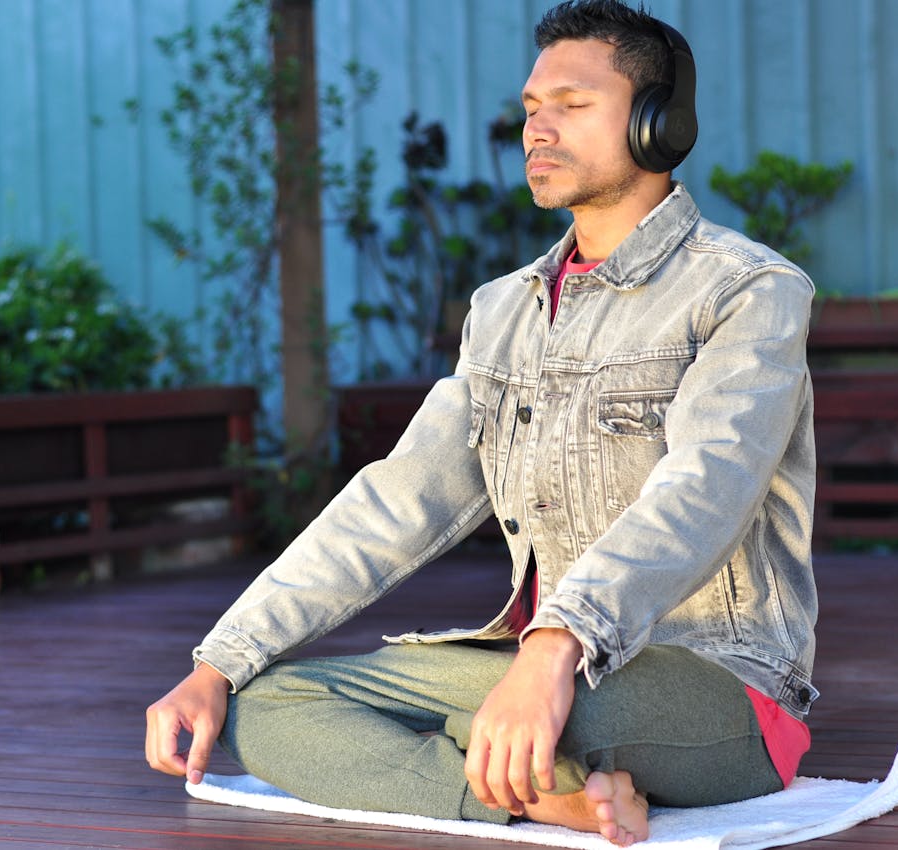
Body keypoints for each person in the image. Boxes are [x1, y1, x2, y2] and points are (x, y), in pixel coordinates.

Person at [146, 1, 819, 845]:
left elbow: (705, 490)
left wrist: (555, 648)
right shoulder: (502, 310)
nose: (538, 129)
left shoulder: (748, 290)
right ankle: (546, 799)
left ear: (659, 125)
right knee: (260, 708)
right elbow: (397, 502)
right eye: (532, 110)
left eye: (571, 106)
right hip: (526, 665)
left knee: (555, 714)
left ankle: (490, 764)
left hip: (715, 681)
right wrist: (219, 661)